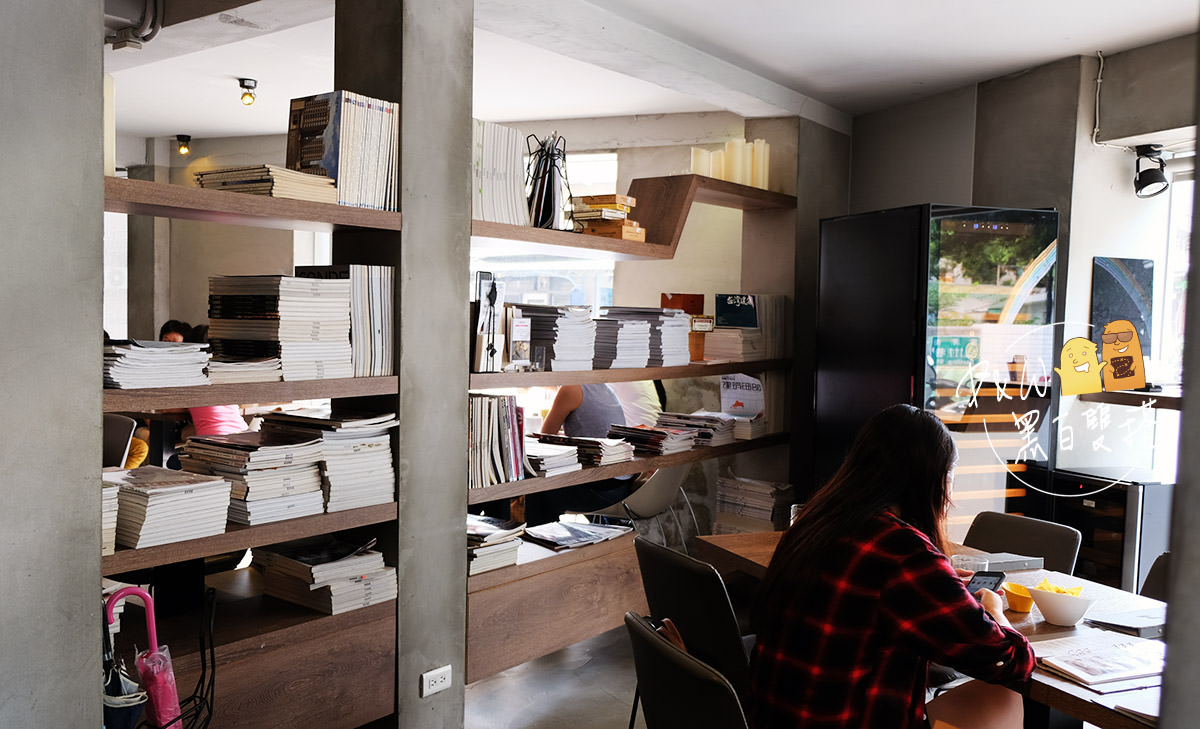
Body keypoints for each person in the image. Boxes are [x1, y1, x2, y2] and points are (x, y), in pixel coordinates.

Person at [750, 404, 1033, 729]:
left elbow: (866, 588)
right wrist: (995, 610)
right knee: (1003, 699)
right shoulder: (904, 552)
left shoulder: (814, 523)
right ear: (934, 479)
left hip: (775, 718)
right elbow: (1008, 660)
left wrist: (938, 581)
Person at [522, 383, 633, 526]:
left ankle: (540, 539)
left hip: (600, 490)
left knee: (536, 486)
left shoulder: (571, 388)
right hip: (622, 484)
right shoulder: (604, 387)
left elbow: (544, 437)